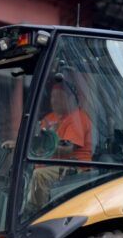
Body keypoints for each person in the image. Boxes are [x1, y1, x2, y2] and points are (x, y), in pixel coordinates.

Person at [25, 81, 93, 210]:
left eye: (58, 97)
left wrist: (39, 147)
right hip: (54, 166)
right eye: (52, 96)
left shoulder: (77, 118)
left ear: (70, 99)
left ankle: (38, 212)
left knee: (40, 175)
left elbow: (67, 150)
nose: (53, 101)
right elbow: (36, 141)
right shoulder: (49, 118)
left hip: (75, 168)